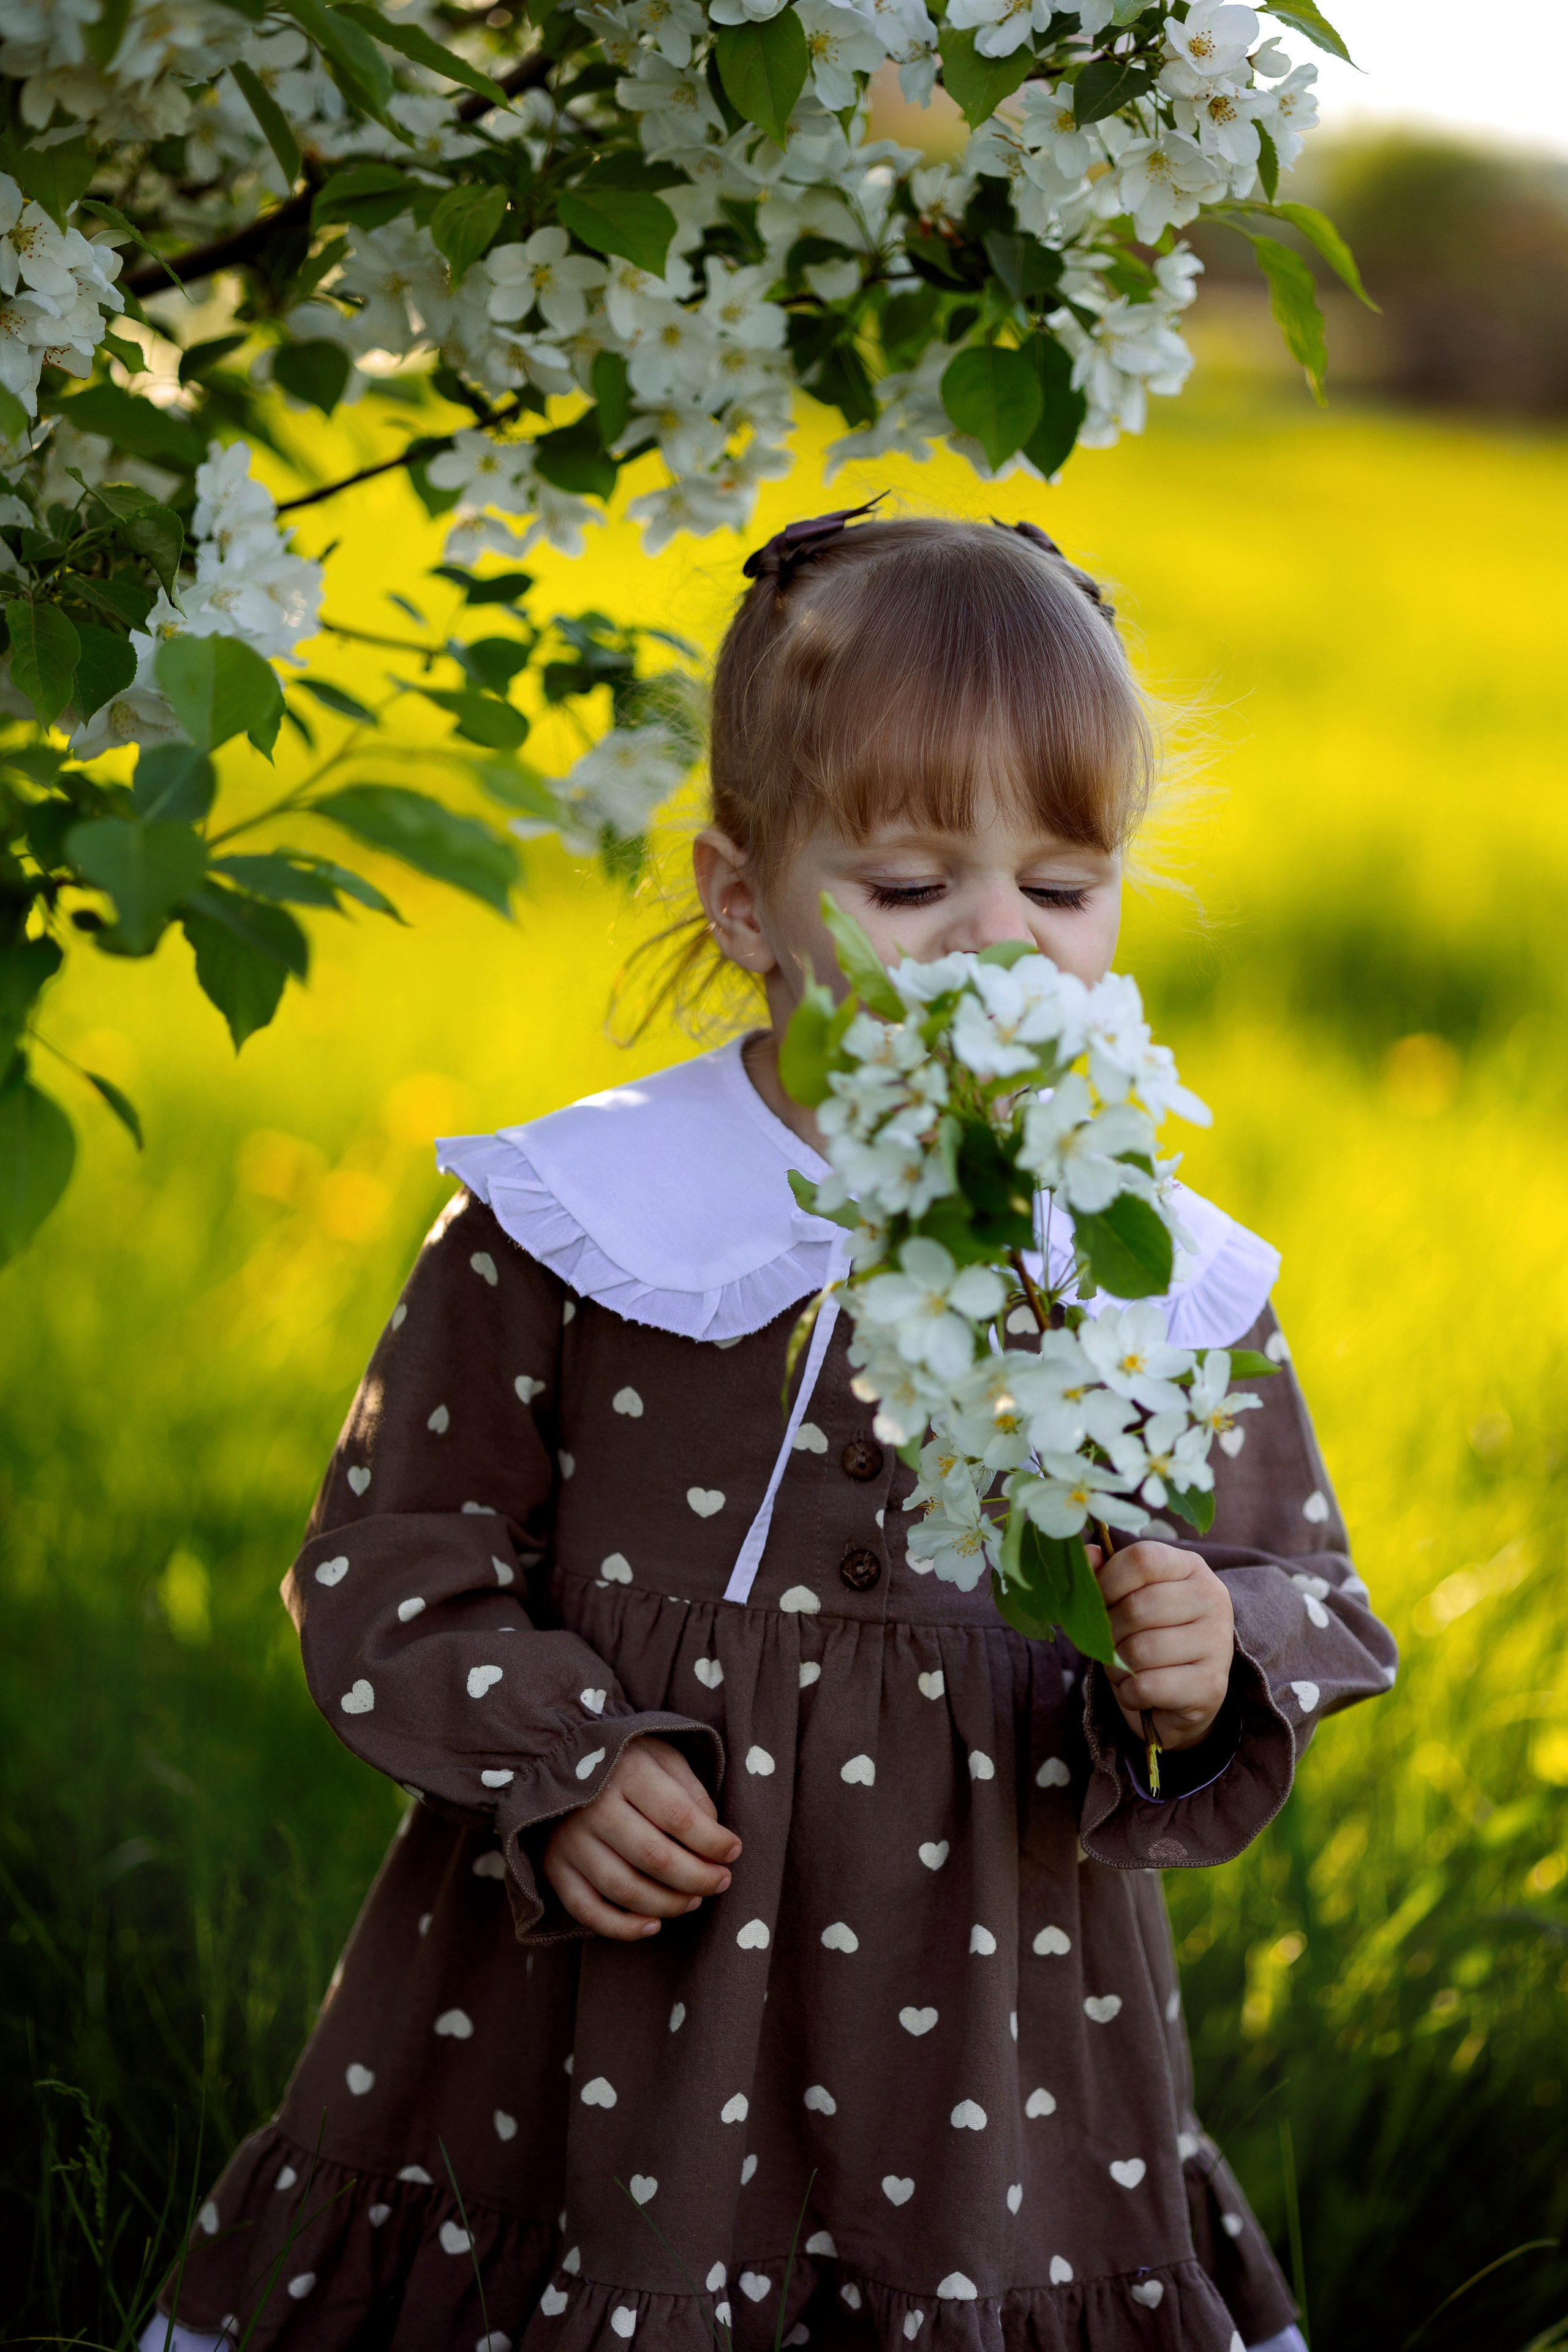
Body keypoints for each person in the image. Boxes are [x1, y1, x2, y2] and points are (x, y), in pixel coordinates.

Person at [145, 512, 1395, 2352]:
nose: (999, 945)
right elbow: (393, 1556)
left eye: (1063, 888)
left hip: (993, 2034)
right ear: (747, 900)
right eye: (909, 890)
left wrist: (1208, 1661)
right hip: (604, 2016)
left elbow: (1307, 1583)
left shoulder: (1144, 1259)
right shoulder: (586, 1220)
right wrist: (560, 1760)